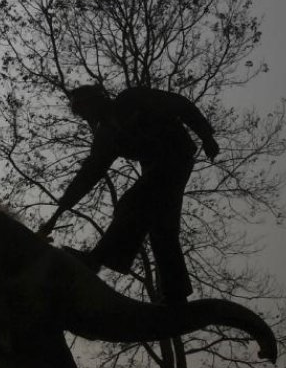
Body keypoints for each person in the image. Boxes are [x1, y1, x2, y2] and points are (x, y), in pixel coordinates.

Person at [37, 84, 219, 303]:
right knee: (161, 228)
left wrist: (206, 135)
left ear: (97, 100)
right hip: (156, 168)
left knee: (133, 202)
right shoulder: (106, 136)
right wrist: (58, 214)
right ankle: (176, 294)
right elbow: (88, 175)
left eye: (85, 109)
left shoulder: (132, 98)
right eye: (81, 113)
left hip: (176, 155)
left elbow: (180, 105)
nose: (86, 116)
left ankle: (98, 258)